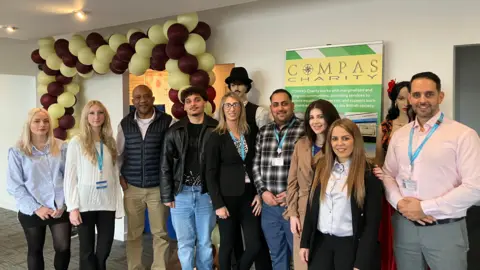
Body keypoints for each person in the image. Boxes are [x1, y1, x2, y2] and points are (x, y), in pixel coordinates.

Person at [376, 71, 480, 270]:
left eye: (429, 94)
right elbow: (388, 174)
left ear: (440, 96)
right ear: (410, 98)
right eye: (416, 95)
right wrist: (400, 203)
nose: (422, 100)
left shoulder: (463, 135)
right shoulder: (400, 135)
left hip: (444, 228)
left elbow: (475, 187)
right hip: (404, 226)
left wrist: (425, 208)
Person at [299, 118, 383, 270]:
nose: (339, 143)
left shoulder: (368, 173)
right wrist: (304, 243)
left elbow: (371, 225)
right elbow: (312, 207)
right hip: (321, 243)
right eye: (335, 139)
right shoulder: (321, 166)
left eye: (345, 138)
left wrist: (361, 263)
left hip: (350, 246)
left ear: (355, 140)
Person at [160, 86, 218, 270]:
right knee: (184, 243)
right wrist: (167, 195)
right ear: (184, 107)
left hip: (206, 194)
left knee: (205, 243)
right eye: (188, 101)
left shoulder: (216, 129)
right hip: (181, 194)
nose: (193, 104)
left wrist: (218, 194)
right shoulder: (174, 131)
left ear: (205, 103)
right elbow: (165, 164)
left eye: (197, 100)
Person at [117, 85, 173, 270]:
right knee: (133, 234)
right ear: (133, 101)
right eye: (138, 97)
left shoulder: (167, 121)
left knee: (160, 233)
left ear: (153, 98)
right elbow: (119, 154)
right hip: (132, 187)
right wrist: (119, 176)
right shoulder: (124, 124)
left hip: (157, 187)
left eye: (146, 96)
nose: (142, 100)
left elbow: (173, 154)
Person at [7, 108, 71, 270]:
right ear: (29, 124)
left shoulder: (62, 146)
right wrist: (37, 208)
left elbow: (69, 178)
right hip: (32, 209)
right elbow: (14, 185)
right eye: (37, 121)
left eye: (46, 121)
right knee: (35, 250)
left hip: (59, 208)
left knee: (63, 247)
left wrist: (62, 204)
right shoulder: (18, 151)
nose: (42, 125)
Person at [64, 100, 125, 270]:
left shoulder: (110, 142)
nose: (96, 117)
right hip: (84, 204)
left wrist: (117, 205)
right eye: (91, 113)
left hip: (106, 202)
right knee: (86, 250)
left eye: (100, 112)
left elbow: (114, 175)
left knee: (105, 246)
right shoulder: (77, 142)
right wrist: (72, 207)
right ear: (85, 117)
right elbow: (70, 177)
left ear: (105, 116)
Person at [205, 92, 263, 270]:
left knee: (254, 245)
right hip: (226, 198)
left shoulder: (250, 132)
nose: (232, 109)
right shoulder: (216, 136)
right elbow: (210, 172)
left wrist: (259, 194)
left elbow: (256, 164)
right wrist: (218, 204)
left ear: (241, 108)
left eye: (235, 105)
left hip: (249, 197)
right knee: (228, 245)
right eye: (228, 105)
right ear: (222, 109)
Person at [223, 66, 273, 270]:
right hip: (229, 188)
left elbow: (262, 149)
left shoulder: (259, 112)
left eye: (239, 84)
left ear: (247, 87)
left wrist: (259, 190)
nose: (236, 87)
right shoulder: (224, 113)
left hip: (252, 184)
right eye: (232, 84)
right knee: (230, 240)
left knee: (256, 240)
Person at [284, 99, 340, 270]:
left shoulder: (338, 145)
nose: (315, 121)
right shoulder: (301, 145)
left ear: (329, 118)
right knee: (302, 262)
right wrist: (292, 213)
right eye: (311, 117)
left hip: (330, 211)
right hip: (302, 211)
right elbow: (292, 182)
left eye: (320, 116)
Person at [253, 89, 304, 270]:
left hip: (294, 206)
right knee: (276, 255)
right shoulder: (263, 132)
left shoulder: (304, 130)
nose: (280, 108)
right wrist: (263, 192)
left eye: (284, 103)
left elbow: (308, 170)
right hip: (269, 206)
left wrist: (291, 194)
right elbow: (255, 166)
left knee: (300, 257)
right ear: (271, 108)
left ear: (292, 105)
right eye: (276, 104)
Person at [375, 79, 412, 270]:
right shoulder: (385, 127)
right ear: (394, 101)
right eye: (401, 98)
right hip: (391, 189)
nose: (406, 103)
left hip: (417, 190)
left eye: (409, 97)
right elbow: (379, 161)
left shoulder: (421, 126)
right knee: (394, 235)